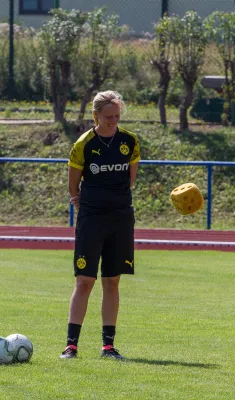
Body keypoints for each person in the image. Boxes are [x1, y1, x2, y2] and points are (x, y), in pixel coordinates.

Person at [60, 91, 140, 360]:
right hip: (92, 217)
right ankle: (71, 345)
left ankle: (108, 346)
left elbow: (129, 180)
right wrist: (80, 201)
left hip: (120, 217)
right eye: (108, 117)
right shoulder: (83, 144)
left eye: (117, 116)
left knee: (112, 281)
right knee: (84, 281)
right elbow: (73, 184)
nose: (113, 121)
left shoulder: (129, 141)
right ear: (96, 115)